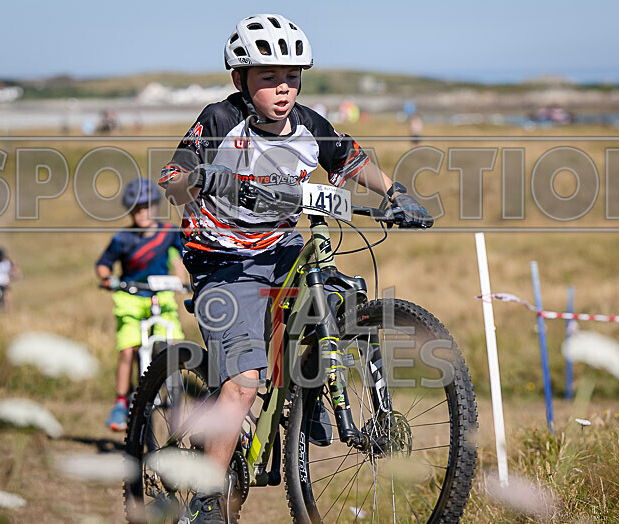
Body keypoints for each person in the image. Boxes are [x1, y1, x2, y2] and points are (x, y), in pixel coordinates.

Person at [159, 14, 432, 523]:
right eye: (268, 78)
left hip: (281, 246)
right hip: (222, 258)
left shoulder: (309, 124)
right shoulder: (220, 120)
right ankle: (205, 500)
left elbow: (351, 159)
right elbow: (175, 175)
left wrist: (395, 194)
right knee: (242, 380)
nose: (282, 89)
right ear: (240, 80)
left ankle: (307, 397)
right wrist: (203, 180)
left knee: (333, 293)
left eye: (291, 77)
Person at [96, 178, 188, 431]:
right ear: (130, 210)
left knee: (173, 343)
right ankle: (120, 402)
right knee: (128, 350)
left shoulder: (168, 234)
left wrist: (181, 280)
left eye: (146, 207)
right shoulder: (122, 238)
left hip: (161, 296)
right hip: (130, 299)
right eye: (137, 208)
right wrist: (107, 279)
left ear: (155, 207)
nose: (142, 213)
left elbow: (179, 258)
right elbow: (103, 264)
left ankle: (176, 397)